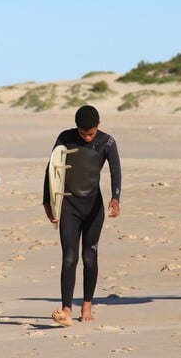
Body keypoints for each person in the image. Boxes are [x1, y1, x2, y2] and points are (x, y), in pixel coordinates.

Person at [43, 105, 122, 326]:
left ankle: (87, 304)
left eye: (91, 133)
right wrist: (47, 201)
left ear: (98, 126)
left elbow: (116, 171)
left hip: (93, 208)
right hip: (69, 206)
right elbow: (51, 170)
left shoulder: (107, 142)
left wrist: (116, 198)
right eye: (83, 133)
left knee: (89, 257)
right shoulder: (65, 137)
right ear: (76, 128)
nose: (87, 138)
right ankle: (67, 309)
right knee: (69, 257)